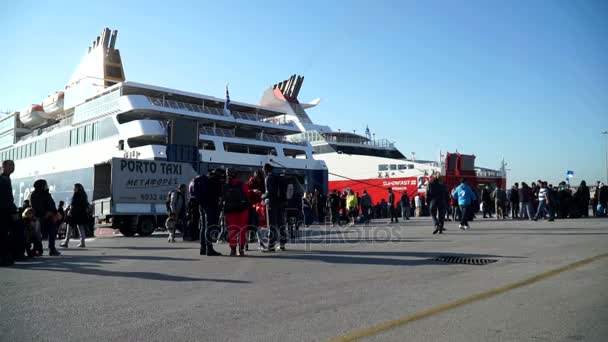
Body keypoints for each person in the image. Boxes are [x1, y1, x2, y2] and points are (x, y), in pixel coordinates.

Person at [223, 168, 249, 256]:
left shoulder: (225, 185)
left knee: (232, 230)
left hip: (230, 211)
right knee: (242, 230)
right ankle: (241, 250)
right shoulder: (242, 184)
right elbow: (247, 195)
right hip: (242, 210)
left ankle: (233, 250)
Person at [30, 179, 60, 256]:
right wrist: (46, 213)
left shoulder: (42, 194)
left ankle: (47, 249)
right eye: (45, 184)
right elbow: (36, 206)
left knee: (49, 233)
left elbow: (52, 204)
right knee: (39, 233)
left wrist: (53, 212)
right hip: (41, 216)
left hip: (48, 216)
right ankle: (41, 249)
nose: (47, 186)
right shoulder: (37, 195)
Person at [196, 170, 222, 256]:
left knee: (203, 227)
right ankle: (209, 249)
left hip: (201, 205)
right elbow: (219, 193)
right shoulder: (215, 180)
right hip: (210, 205)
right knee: (209, 227)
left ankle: (202, 248)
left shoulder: (204, 179)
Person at [262, 163, 286, 252]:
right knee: (281, 224)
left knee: (271, 225)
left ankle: (270, 246)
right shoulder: (278, 177)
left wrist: (263, 196)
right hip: (280, 203)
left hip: (272, 203)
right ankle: (282, 244)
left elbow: (270, 192)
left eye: (263, 169)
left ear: (266, 169)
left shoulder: (269, 178)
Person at [60, 183, 90, 248]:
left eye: (74, 187)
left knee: (69, 228)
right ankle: (82, 242)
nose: (73, 189)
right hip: (81, 214)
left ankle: (66, 242)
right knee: (80, 228)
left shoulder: (76, 195)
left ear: (77, 188)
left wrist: (70, 212)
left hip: (74, 214)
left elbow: (73, 205)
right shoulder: (84, 195)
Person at [0, 160, 18, 266]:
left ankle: (5, 256)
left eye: (14, 165)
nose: (13, 167)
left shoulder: (6, 179)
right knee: (3, 234)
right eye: (10, 165)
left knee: (4, 233)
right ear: (4, 166)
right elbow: (5, 198)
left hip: (6, 210)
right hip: (3, 211)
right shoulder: (2, 179)